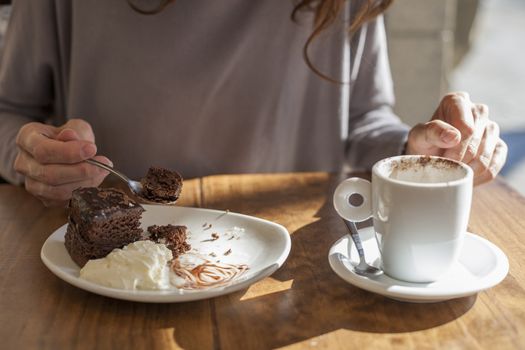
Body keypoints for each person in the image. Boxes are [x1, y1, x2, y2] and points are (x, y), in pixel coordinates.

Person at [0, 0, 507, 207]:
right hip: (98, 267)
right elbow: (9, 110)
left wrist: (415, 152)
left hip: (290, 273)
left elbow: (360, 121)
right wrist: (30, 158)